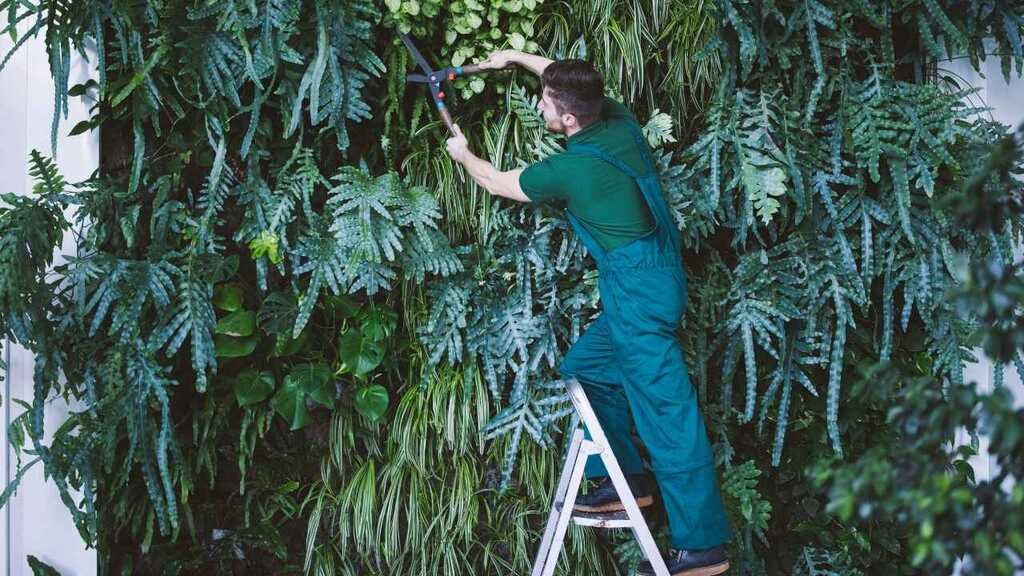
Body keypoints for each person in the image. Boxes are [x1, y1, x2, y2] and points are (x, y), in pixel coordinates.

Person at [443, 49, 732, 576]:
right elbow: (566, 78)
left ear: (568, 119)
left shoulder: (570, 168)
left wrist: (463, 155)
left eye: (546, 104)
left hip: (638, 297)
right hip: (655, 279)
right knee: (587, 370)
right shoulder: (617, 124)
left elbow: (495, 182)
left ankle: (702, 550)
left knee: (669, 416)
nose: (540, 106)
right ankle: (627, 485)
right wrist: (511, 57)